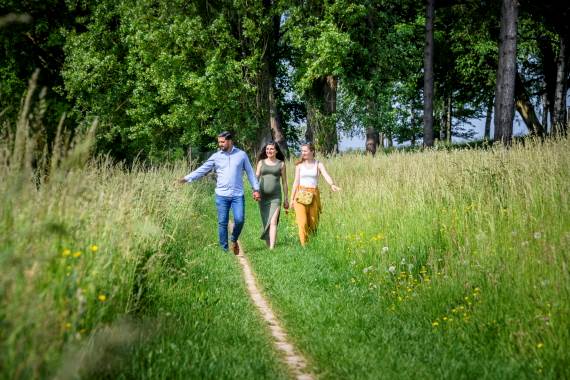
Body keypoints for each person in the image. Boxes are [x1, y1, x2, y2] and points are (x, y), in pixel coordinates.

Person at [177, 131, 260, 255]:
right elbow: (202, 169)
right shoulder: (216, 156)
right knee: (222, 222)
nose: (220, 144)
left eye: (222, 142)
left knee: (240, 219)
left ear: (230, 141)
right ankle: (224, 250)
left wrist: (256, 189)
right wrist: (186, 178)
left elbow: (250, 173)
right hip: (221, 195)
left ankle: (233, 239)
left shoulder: (241, 155)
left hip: (237, 195)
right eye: (219, 142)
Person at [289, 143, 341, 247]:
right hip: (300, 195)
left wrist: (332, 185)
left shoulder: (318, 164)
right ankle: (304, 246)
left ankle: (313, 244)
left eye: (305, 151)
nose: (302, 153)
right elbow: (296, 182)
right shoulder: (299, 166)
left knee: (313, 222)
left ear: (312, 151)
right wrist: (292, 199)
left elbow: (326, 175)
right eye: (302, 151)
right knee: (302, 222)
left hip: (313, 195)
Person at [256, 142, 289, 249]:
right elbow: (256, 177)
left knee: (273, 221)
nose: (269, 151)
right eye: (267, 149)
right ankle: (268, 243)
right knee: (266, 220)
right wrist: (255, 191)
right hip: (263, 197)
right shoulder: (261, 163)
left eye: (271, 149)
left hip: (276, 196)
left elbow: (284, 182)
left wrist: (286, 199)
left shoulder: (281, 164)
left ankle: (272, 248)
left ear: (276, 151)